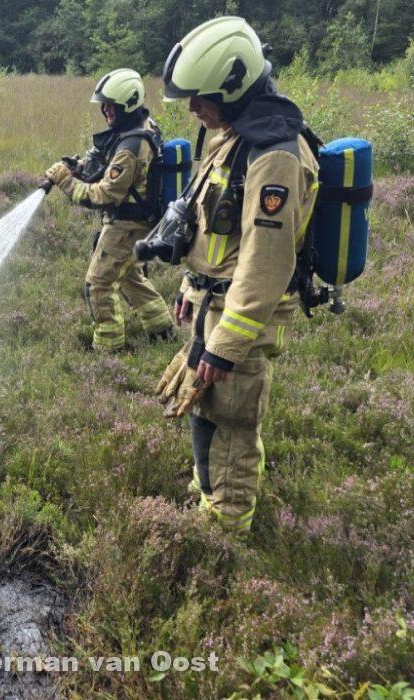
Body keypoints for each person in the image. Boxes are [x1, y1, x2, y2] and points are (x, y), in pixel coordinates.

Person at [154, 16, 320, 533]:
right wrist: (190, 284)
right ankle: (205, 493)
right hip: (215, 301)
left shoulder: (275, 155)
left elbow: (267, 260)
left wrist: (229, 342)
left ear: (233, 86)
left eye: (199, 97)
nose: (191, 109)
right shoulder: (232, 135)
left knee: (230, 420)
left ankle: (224, 530)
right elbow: (213, 224)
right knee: (204, 408)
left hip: (241, 314)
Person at [43, 68, 174, 353]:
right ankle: (161, 327)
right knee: (129, 276)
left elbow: (104, 194)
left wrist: (67, 182)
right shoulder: (141, 127)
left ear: (128, 103)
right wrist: (80, 169)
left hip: (128, 226)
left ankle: (108, 347)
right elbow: (109, 169)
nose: (106, 111)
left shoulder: (130, 147)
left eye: (111, 105)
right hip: (142, 221)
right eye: (104, 105)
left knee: (99, 283)